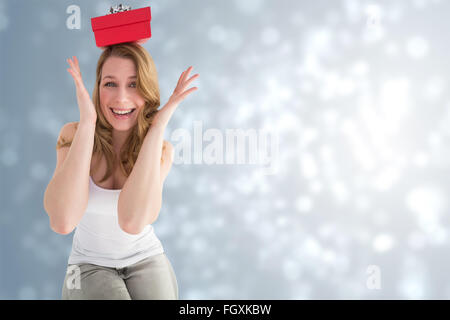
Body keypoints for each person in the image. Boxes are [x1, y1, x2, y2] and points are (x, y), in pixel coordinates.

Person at [43, 42, 199, 299]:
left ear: (148, 91)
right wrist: (87, 124)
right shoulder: (72, 135)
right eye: (110, 84)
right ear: (97, 88)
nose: (121, 98)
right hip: (88, 265)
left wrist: (157, 126)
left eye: (134, 84)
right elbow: (62, 221)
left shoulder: (161, 151)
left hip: (147, 258)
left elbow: (132, 221)